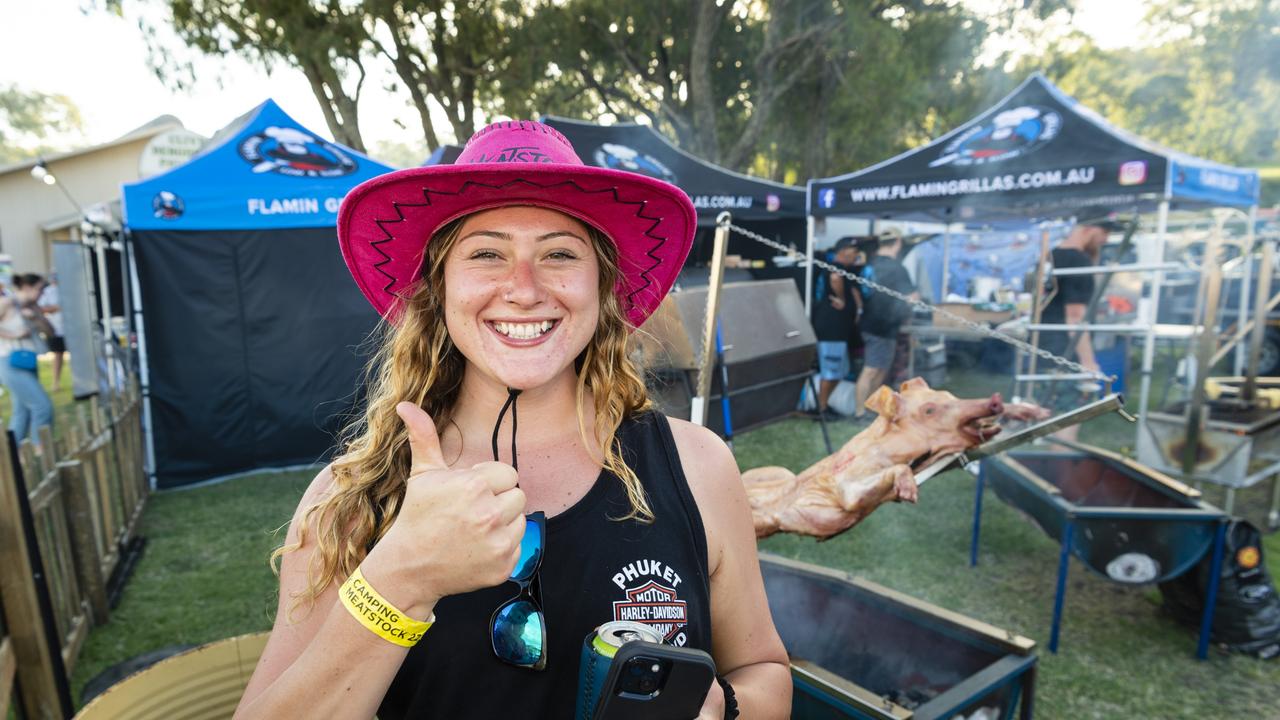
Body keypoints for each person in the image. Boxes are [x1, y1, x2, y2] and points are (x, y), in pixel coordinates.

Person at [236, 120, 791, 719]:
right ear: (437, 288)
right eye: (486, 253)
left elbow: (762, 669)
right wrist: (400, 580)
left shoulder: (698, 466)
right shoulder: (352, 500)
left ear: (603, 286)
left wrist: (723, 712)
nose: (524, 290)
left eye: (558, 253)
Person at [1039, 206, 1121, 439]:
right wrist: (1088, 363)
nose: (1106, 239)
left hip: (1041, 347)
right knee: (1066, 421)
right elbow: (1075, 317)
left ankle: (1041, 465)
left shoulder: (1051, 255)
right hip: (1066, 354)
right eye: (1104, 232)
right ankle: (1057, 471)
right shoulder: (1079, 262)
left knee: (1044, 417)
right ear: (1089, 229)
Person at [854, 229, 917, 419]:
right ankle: (859, 413)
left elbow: (858, 292)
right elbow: (912, 298)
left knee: (880, 369)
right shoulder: (898, 268)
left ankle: (871, 410)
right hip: (882, 326)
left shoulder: (870, 264)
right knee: (872, 370)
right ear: (897, 243)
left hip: (872, 324)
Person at [0, 274, 55, 446]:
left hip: (28, 361)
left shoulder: (34, 308)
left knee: (21, 412)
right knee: (42, 407)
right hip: (9, 360)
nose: (42, 294)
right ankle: (40, 451)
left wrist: (36, 318)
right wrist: (13, 334)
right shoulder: (7, 303)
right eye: (39, 289)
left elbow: (50, 332)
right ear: (26, 287)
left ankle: (12, 456)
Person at [810, 236, 860, 420]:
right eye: (853, 252)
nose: (855, 256)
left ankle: (825, 405)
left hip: (837, 332)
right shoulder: (836, 268)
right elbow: (835, 278)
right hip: (830, 330)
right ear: (843, 252)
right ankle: (821, 410)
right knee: (830, 371)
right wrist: (842, 299)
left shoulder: (842, 268)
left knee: (838, 371)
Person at [34, 273, 66, 392]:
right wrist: (56, 308)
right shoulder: (47, 292)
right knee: (58, 354)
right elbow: (40, 308)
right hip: (56, 328)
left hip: (71, 328)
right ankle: (56, 382)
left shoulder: (68, 288)